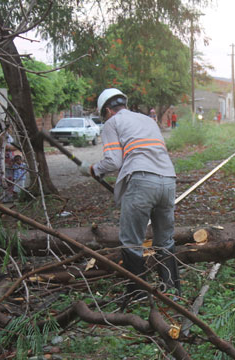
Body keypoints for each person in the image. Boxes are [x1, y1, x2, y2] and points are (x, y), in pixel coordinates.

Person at [80, 88, 180, 301]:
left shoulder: (112, 123)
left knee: (131, 240)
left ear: (107, 110)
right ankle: (171, 289)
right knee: (165, 239)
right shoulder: (147, 120)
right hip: (168, 179)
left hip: (142, 180)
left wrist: (92, 169)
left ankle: (138, 293)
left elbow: (113, 161)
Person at [0, 127, 17, 203]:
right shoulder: (1, 136)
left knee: (10, 177)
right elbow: (6, 147)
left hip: (10, 157)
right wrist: (17, 147)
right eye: (10, 127)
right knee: (3, 175)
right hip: (4, 157)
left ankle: (9, 196)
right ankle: (2, 196)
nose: (11, 129)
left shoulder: (8, 136)